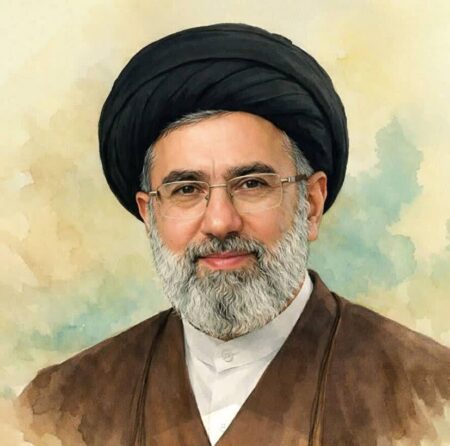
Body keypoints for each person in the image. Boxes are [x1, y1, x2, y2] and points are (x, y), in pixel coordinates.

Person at [16, 23, 449, 446]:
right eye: (186, 190)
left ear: (311, 204)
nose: (220, 222)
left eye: (252, 184)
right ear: (150, 214)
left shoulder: (431, 397)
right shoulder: (58, 409)